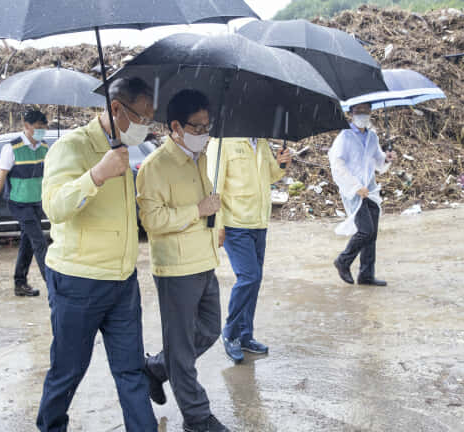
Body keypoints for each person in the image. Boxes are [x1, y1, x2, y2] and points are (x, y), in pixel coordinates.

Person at [36, 77, 157, 432]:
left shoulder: (123, 148)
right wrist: (96, 175)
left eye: (151, 116)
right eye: (142, 115)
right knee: (68, 371)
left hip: (122, 283)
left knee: (131, 370)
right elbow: (54, 207)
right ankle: (51, 427)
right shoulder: (71, 147)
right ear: (116, 108)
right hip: (78, 283)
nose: (146, 124)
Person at [138, 89, 229, 432]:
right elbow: (153, 221)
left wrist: (213, 220)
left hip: (204, 261)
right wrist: (198, 210)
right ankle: (197, 417)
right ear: (175, 126)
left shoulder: (202, 158)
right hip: (176, 269)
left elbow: (204, 206)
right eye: (197, 126)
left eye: (208, 125)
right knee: (181, 345)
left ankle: (158, 367)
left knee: (209, 330)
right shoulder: (154, 167)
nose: (204, 132)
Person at [206, 137, 290, 363]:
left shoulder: (260, 142)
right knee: (249, 277)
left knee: (255, 279)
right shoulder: (222, 142)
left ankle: (245, 336)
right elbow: (213, 184)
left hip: (259, 222)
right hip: (235, 223)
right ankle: (230, 333)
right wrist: (218, 223)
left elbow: (270, 176)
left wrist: (281, 164)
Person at [329, 102, 396, 286]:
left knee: (372, 233)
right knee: (365, 230)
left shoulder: (372, 136)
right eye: (358, 111)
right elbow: (337, 165)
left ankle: (366, 275)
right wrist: (355, 186)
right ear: (351, 113)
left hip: (371, 190)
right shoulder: (345, 137)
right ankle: (343, 260)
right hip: (355, 192)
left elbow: (379, 164)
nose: (362, 114)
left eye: (366, 111)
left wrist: (387, 159)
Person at [0, 109, 49, 297]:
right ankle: (55, 285)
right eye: (38, 128)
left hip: (37, 202)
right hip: (19, 203)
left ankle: (20, 283)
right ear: (26, 126)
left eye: (43, 128)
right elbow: (0, 178)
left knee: (28, 242)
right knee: (39, 241)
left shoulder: (45, 147)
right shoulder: (11, 148)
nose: (41, 131)